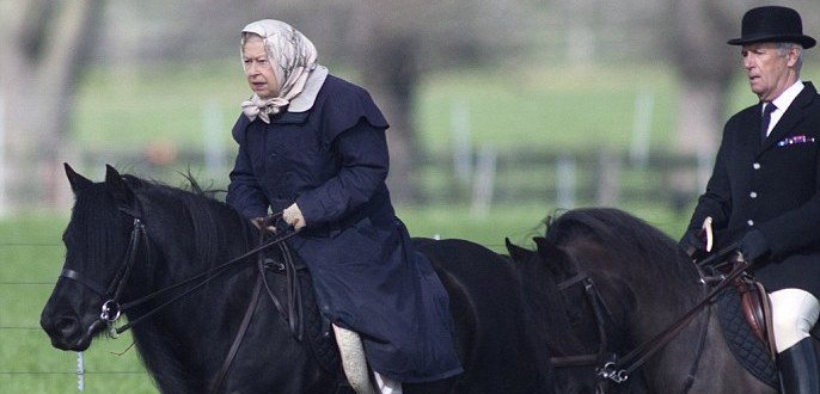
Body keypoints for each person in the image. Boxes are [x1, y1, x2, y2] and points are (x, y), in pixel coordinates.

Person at [225, 19, 463, 393]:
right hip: (281, 237)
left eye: (263, 61)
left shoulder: (343, 101)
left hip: (353, 237)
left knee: (375, 322)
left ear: (288, 57)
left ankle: (389, 383)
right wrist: (254, 218)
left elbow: (366, 171)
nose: (254, 72)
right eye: (248, 62)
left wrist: (307, 210)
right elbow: (244, 181)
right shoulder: (257, 114)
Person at [680, 6, 820, 394]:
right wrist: (693, 236)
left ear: (790, 55)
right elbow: (717, 198)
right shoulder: (738, 125)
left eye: (758, 52)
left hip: (800, 268)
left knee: (788, 320)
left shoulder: (817, 119)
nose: (748, 62)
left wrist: (765, 239)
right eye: (744, 53)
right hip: (733, 266)